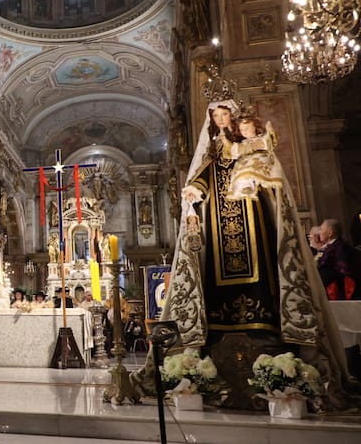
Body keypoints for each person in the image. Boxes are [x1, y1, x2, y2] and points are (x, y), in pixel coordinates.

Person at [133, 88, 353, 410]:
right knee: (217, 281)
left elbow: (270, 171)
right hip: (220, 233)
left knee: (260, 275)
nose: (221, 120)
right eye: (216, 117)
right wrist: (194, 189)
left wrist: (258, 180)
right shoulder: (212, 153)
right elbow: (203, 177)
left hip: (252, 227)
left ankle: (266, 328)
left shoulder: (251, 146)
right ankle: (217, 332)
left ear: (235, 118)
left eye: (225, 115)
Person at [218, 112, 282, 201]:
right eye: (242, 129)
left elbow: (269, 140)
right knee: (239, 168)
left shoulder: (261, 138)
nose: (244, 132)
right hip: (246, 161)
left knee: (251, 167)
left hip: (261, 157)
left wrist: (270, 131)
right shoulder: (243, 144)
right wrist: (224, 140)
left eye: (247, 128)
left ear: (255, 127)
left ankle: (250, 184)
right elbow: (233, 149)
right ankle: (245, 186)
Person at [317, 219, 360, 301]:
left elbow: (331, 271)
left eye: (321, 229)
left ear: (330, 233)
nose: (320, 232)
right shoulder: (335, 245)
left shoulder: (337, 248)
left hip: (343, 292)